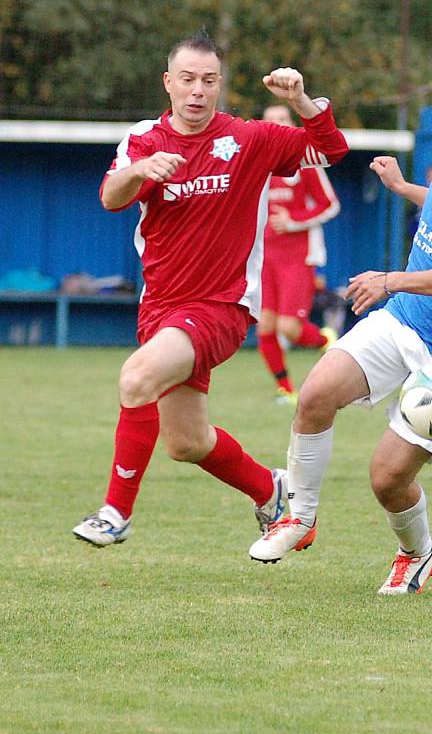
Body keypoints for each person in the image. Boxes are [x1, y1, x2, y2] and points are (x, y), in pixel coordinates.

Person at [249, 66, 432, 596]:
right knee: (314, 396)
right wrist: (403, 188)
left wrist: (393, 279)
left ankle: (418, 552)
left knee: (387, 478)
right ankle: (300, 519)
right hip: (404, 321)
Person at [72, 27, 348, 548]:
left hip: (223, 305)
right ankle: (271, 489)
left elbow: (331, 149)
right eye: (188, 80)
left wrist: (301, 100)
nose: (198, 90)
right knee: (187, 442)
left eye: (209, 80)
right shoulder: (144, 140)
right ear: (168, 83)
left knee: (136, 381)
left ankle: (115, 513)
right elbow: (110, 196)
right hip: (160, 308)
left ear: (220, 85)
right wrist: (140, 170)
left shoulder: (249, 139)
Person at [257, 103, 341, 405]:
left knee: (288, 328)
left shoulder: (305, 162)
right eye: (270, 121)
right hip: (265, 257)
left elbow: (330, 204)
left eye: (282, 120)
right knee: (264, 326)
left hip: (298, 256)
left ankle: (325, 339)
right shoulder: (257, 163)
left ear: (292, 124)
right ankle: (286, 390)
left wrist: (293, 222)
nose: (277, 126)